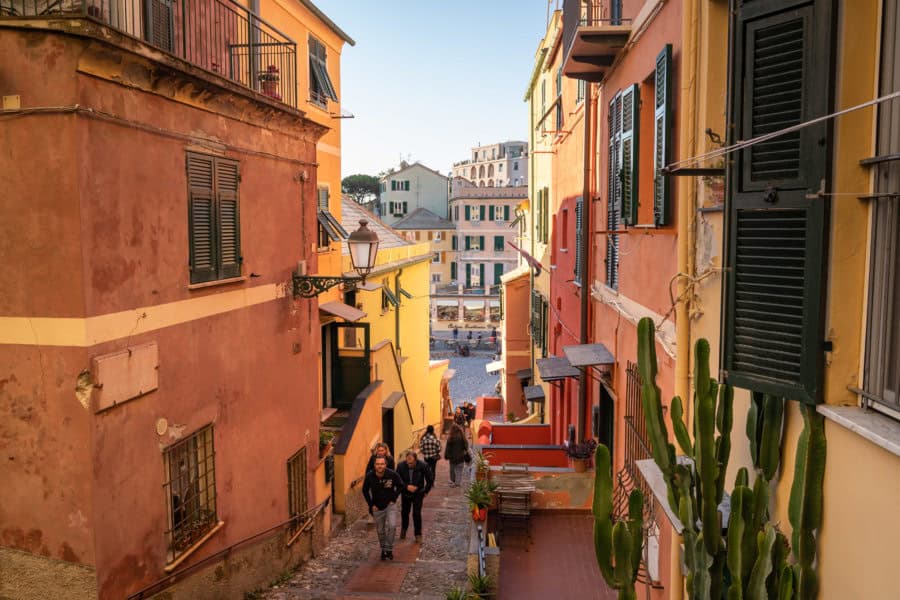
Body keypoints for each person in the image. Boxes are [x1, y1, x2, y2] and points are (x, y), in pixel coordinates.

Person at [362, 456, 403, 560]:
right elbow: (365, 490)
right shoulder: (370, 476)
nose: (380, 466)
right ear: (374, 465)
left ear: (385, 465)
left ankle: (388, 549)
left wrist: (394, 498)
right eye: (378, 464)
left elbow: (401, 485)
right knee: (380, 531)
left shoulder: (392, 474)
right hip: (377, 507)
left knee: (392, 526)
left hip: (390, 505)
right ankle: (383, 550)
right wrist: (371, 504)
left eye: (382, 464)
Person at [396, 450, 434, 543]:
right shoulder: (401, 466)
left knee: (416, 514)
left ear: (416, 460)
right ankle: (404, 529)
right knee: (405, 513)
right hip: (405, 493)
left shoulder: (423, 466)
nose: (409, 465)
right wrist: (406, 487)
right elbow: (397, 480)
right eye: (407, 462)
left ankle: (418, 534)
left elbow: (430, 479)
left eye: (411, 463)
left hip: (418, 493)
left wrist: (426, 491)